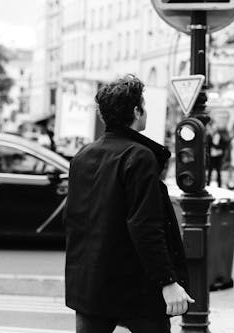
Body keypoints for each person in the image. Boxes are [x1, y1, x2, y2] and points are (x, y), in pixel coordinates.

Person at [64, 75, 192, 333]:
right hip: (135, 288)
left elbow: (73, 220)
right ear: (136, 110)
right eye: (144, 106)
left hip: (90, 284)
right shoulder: (138, 156)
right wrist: (168, 281)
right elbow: (146, 225)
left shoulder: (83, 156)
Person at [207, 122, 230, 187]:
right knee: (210, 171)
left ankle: (219, 185)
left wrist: (216, 147)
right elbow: (207, 146)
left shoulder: (220, 136)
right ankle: (208, 184)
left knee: (218, 171)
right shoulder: (209, 136)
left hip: (218, 157)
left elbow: (224, 145)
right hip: (212, 156)